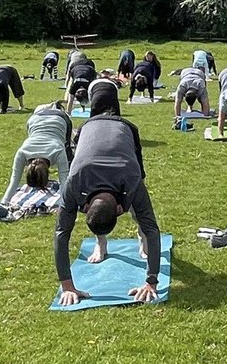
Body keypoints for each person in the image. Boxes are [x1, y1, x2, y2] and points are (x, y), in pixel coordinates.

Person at [54, 113, 159, 306]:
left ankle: (139, 234)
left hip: (126, 128)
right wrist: (67, 286)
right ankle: (101, 244)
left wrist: (151, 282)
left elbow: (152, 229)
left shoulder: (132, 179)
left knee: (144, 218)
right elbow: (61, 234)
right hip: (88, 129)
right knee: (140, 211)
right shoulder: (74, 183)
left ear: (120, 209)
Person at [0, 102, 73, 205]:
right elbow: (14, 181)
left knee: (69, 155)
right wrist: (4, 203)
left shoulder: (58, 151)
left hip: (60, 118)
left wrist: (66, 203)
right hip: (35, 119)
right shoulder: (22, 152)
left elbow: (64, 181)